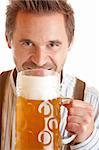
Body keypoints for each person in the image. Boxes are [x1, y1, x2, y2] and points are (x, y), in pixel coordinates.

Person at [0, 0, 99, 149]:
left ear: (70, 42)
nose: (40, 60)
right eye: (27, 43)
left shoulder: (92, 102)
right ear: (9, 40)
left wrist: (86, 142)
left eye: (52, 44)